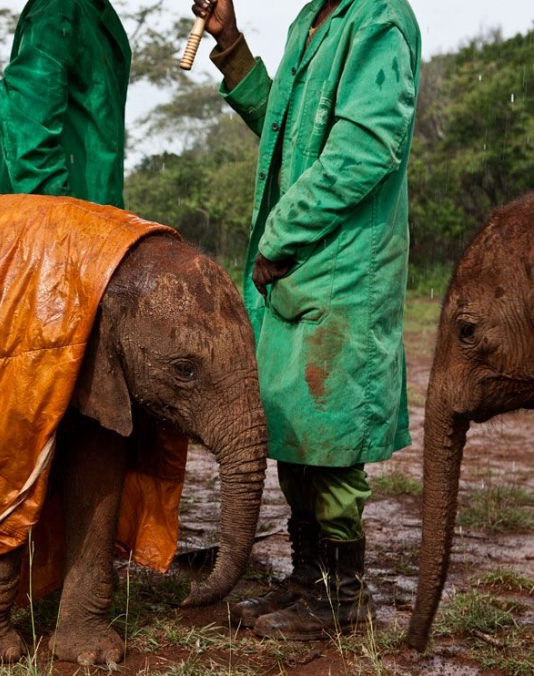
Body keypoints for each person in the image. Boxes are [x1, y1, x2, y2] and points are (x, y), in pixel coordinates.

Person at [191, 0, 420, 639]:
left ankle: (344, 598)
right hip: (297, 265)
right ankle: (307, 578)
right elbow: (286, 128)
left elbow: (365, 150)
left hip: (343, 264)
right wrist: (231, 45)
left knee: (332, 432)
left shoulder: (378, 21)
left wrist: (280, 232)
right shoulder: (310, 20)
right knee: (292, 422)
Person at [0, 0, 130, 207]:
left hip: (93, 208)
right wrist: (62, 215)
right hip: (43, 214)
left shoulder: (95, 10)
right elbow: (28, 131)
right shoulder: (60, 7)